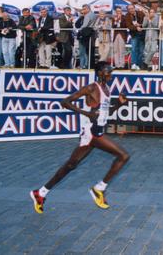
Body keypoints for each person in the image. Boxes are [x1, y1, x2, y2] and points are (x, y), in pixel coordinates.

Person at [30, 62, 130, 214]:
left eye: (111, 71)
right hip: (92, 132)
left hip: (95, 131)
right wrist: (86, 114)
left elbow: (104, 113)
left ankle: (41, 192)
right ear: (99, 72)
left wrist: (119, 105)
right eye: (107, 71)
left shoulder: (107, 89)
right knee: (123, 156)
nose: (110, 74)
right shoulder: (92, 87)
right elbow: (65, 102)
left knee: (71, 165)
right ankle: (99, 189)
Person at [124, 4, 145, 70]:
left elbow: (145, 22)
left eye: (132, 8)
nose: (131, 10)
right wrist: (136, 27)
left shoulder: (140, 13)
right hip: (134, 34)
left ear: (134, 8)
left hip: (142, 34)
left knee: (141, 51)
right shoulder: (127, 16)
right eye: (129, 9)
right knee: (134, 49)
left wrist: (140, 25)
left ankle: (138, 64)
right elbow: (128, 26)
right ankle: (133, 64)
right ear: (128, 10)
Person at [78, 4, 97, 69]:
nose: (83, 11)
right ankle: (89, 65)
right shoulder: (94, 15)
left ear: (88, 9)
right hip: (93, 34)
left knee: (86, 51)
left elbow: (84, 25)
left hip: (86, 34)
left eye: (84, 9)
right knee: (90, 51)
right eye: (83, 9)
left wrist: (79, 29)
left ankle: (85, 65)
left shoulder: (87, 15)